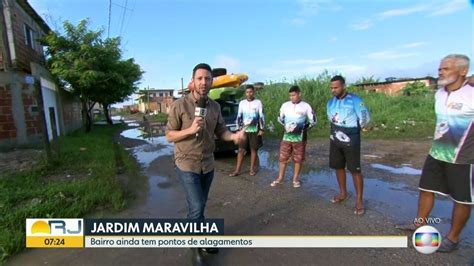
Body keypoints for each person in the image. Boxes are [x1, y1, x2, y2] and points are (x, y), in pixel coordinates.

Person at [165, 63, 245, 257]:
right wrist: (190, 130)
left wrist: (233, 137)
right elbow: (169, 135)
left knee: (198, 205)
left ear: (211, 83)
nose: (203, 82)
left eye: (207, 79)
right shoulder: (180, 105)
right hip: (186, 162)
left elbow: (221, 131)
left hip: (208, 164)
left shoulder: (215, 107)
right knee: (198, 205)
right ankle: (199, 245)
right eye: (200, 78)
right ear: (193, 82)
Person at [398, 54, 473, 253]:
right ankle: (419, 224)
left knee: (462, 199)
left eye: (446, 68)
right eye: (440, 68)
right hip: (436, 152)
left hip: (463, 157)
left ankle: (453, 238)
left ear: (463, 71)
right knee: (425, 189)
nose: (440, 72)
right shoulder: (439, 93)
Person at [327, 75, 371, 215]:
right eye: (331, 88)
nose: (333, 90)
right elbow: (331, 118)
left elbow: (365, 118)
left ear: (344, 86)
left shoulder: (356, 100)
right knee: (338, 167)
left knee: (354, 170)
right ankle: (343, 193)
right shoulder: (330, 102)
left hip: (351, 140)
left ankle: (359, 200)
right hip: (335, 138)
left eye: (336, 87)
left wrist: (361, 127)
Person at [270, 85, 316, 188]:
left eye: (294, 95)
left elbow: (313, 121)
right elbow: (279, 118)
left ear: (299, 94)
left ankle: (295, 179)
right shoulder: (285, 105)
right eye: (290, 95)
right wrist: (286, 126)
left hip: (300, 138)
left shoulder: (306, 106)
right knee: (283, 158)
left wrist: (303, 128)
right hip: (286, 137)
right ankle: (280, 178)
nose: (292, 97)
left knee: (298, 159)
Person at [229, 84, 265, 177]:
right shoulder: (242, 103)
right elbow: (239, 116)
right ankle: (237, 170)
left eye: (251, 92)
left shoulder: (258, 102)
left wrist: (261, 129)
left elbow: (261, 116)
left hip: (255, 129)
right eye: (247, 92)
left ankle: (252, 169)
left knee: (253, 150)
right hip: (244, 130)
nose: (249, 94)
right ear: (245, 93)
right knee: (241, 150)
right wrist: (238, 128)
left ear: (253, 92)